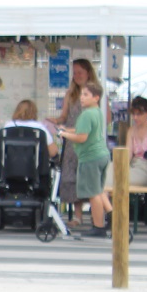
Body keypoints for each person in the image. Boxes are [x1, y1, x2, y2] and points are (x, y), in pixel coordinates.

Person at [57, 81, 110, 237]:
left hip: (90, 157)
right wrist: (67, 129)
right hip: (102, 154)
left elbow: (81, 137)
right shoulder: (97, 112)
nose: (82, 98)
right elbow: (84, 130)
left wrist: (64, 134)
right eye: (81, 94)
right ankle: (113, 216)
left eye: (86, 95)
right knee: (99, 190)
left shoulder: (86, 114)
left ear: (96, 97)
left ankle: (98, 226)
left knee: (93, 193)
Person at [54, 58, 99, 221]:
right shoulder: (70, 94)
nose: (77, 75)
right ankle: (77, 216)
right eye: (75, 73)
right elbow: (64, 116)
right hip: (73, 142)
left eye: (80, 72)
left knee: (90, 177)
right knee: (72, 177)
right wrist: (55, 121)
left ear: (88, 73)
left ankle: (97, 217)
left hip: (89, 141)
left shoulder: (96, 94)